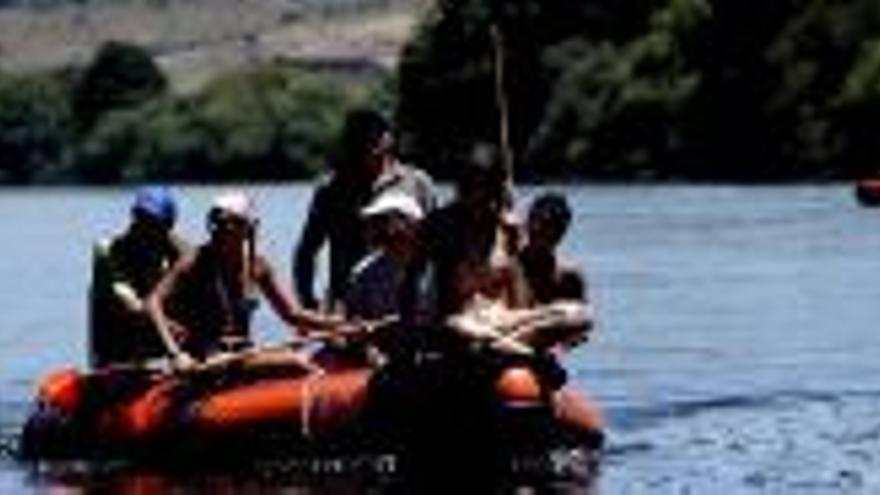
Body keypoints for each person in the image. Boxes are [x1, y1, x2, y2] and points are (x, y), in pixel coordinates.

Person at [146, 191, 348, 371]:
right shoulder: (194, 262)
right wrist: (175, 353)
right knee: (297, 362)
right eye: (218, 224)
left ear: (247, 228)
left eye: (231, 224)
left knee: (322, 357)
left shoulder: (257, 266)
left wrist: (338, 325)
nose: (222, 230)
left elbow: (292, 314)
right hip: (207, 358)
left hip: (242, 353)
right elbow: (153, 302)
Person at [293, 108, 435, 311]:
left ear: (389, 138)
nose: (366, 143)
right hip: (348, 305)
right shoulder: (331, 189)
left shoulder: (418, 183)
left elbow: (436, 244)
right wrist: (308, 301)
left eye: (373, 134)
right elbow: (307, 251)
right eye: (357, 135)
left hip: (409, 302)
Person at [313, 190, 425, 370]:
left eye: (385, 220)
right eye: (376, 221)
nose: (378, 227)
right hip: (381, 356)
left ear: (411, 224)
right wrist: (364, 342)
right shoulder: (363, 272)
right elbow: (354, 321)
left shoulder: (436, 264)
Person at [89, 186, 189, 369]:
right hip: (117, 360)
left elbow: (200, 265)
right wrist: (168, 327)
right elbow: (132, 305)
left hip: (166, 359)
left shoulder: (176, 253)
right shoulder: (108, 250)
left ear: (168, 225)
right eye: (139, 218)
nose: (141, 227)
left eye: (152, 222)